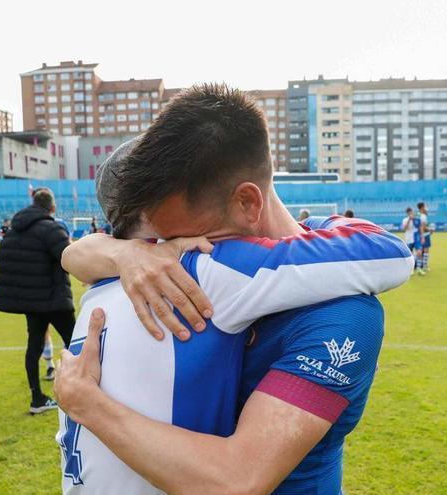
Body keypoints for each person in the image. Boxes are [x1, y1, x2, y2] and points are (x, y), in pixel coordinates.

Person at [54, 84, 413, 494]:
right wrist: (124, 253)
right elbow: (76, 255)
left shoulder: (343, 311)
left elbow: (237, 480)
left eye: (184, 240)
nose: (171, 256)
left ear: (247, 204)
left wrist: (88, 403)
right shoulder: (156, 266)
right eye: (160, 244)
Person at [0, 188, 75, 414]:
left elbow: (1, 258)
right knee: (76, 342)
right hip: (55, 298)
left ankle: (36, 398)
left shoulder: (15, 229)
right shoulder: (51, 228)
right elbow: (70, 258)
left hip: (31, 301)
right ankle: (83, 390)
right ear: (52, 207)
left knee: (34, 346)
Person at [401, 207, 424, 275]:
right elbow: (404, 229)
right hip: (408, 239)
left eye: (412, 212)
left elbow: (420, 228)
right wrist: (409, 220)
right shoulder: (405, 220)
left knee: (419, 252)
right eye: (410, 213)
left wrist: (422, 237)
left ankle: (419, 268)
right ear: (407, 213)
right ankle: (411, 270)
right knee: (410, 255)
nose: (411, 214)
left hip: (417, 238)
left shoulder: (417, 220)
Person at [418, 201, 432, 272]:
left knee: (421, 250)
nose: (426, 208)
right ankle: (424, 266)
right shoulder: (423, 216)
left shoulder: (419, 215)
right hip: (425, 235)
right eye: (425, 206)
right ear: (422, 207)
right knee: (426, 251)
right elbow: (423, 227)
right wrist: (430, 229)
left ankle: (420, 266)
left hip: (420, 235)